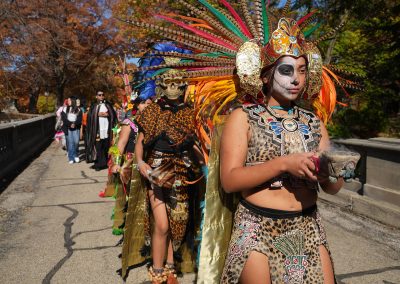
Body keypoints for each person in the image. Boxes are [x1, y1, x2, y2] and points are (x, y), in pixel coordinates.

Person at [108, 98, 152, 235]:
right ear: (138, 105)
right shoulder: (130, 123)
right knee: (130, 196)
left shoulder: (156, 121)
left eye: (150, 104)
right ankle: (128, 226)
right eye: (144, 103)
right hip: (129, 164)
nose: (147, 106)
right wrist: (116, 163)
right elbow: (120, 145)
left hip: (148, 163)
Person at [86, 91, 117, 170]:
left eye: (103, 95)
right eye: (99, 95)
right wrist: (97, 114)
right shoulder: (94, 106)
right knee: (98, 146)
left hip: (107, 130)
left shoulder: (108, 105)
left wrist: (108, 114)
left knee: (106, 146)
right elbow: (90, 116)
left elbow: (113, 114)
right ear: (96, 96)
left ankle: (106, 163)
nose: (101, 96)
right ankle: (99, 164)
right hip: (97, 130)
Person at [61, 96, 82, 164]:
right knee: (70, 143)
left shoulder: (78, 109)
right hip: (68, 128)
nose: (68, 102)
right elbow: (64, 118)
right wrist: (70, 124)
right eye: (68, 100)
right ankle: (71, 157)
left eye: (69, 100)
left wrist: (74, 124)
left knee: (76, 142)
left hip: (76, 128)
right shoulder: (65, 109)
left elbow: (79, 119)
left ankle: (75, 154)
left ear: (73, 101)